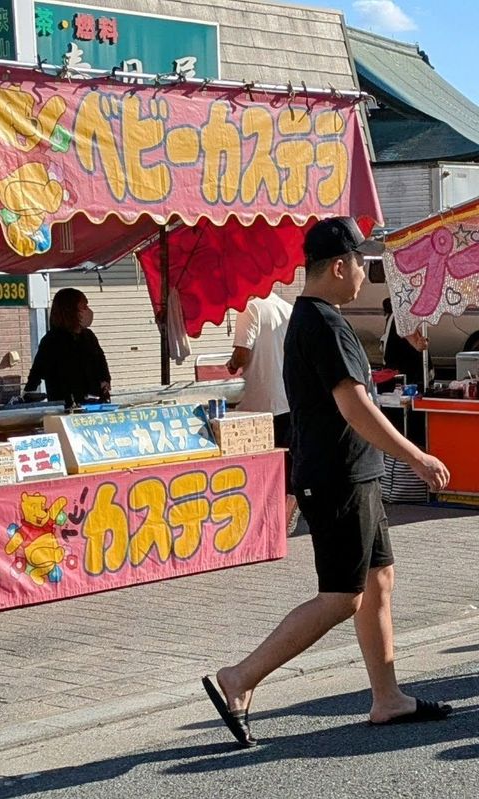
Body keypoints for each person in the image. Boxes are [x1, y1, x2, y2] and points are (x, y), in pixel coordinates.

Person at [202, 217, 452, 748]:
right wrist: (416, 456)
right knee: (342, 597)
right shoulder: (322, 322)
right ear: (340, 266)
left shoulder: (315, 318)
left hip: (349, 473)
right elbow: (354, 405)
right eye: (363, 263)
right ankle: (240, 678)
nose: (365, 273)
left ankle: (387, 698)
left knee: (378, 581)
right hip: (337, 478)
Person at [226, 292, 297, 532]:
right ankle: (285, 509)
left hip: (259, 400)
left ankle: (265, 515)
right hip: (286, 396)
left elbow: (242, 353)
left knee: (260, 463)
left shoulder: (250, 308)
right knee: (284, 460)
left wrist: (232, 364)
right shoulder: (286, 308)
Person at [24, 288, 111, 407]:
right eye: (84, 307)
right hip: (64, 406)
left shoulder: (89, 336)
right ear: (70, 310)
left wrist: (105, 381)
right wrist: (28, 394)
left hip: (94, 403)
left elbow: (101, 361)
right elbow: (37, 371)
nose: (89, 311)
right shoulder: (52, 340)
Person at [380, 297, 429, 388]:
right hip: (406, 377)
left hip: (398, 373)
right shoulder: (402, 317)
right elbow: (418, 345)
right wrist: (420, 344)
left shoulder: (394, 317)